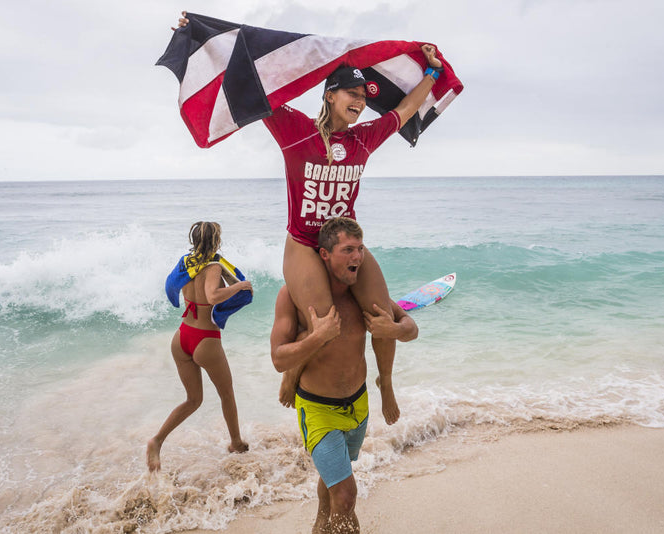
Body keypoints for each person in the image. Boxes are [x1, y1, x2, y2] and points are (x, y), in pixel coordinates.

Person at [175, 12, 442, 425]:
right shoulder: (294, 129)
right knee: (323, 322)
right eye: (351, 93)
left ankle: (385, 381)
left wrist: (430, 72)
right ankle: (294, 375)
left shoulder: (364, 139)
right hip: (302, 242)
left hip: (343, 244)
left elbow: (406, 110)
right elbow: (252, 88)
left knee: (382, 316)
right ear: (330, 95)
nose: (359, 101)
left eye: (363, 97)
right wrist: (200, 38)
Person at [270, 217, 418, 534]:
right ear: (325, 255)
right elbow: (278, 358)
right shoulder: (293, 295)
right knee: (347, 495)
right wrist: (316, 337)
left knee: (335, 476)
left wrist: (392, 329)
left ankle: (321, 523)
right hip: (318, 408)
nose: (357, 258)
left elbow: (410, 328)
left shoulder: (360, 294)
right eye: (348, 250)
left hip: (358, 405)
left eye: (360, 249)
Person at [147, 221, 254, 472]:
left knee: (193, 399)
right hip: (205, 339)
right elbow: (213, 297)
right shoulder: (213, 266)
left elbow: (173, 286)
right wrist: (240, 286)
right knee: (226, 393)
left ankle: (156, 440)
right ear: (216, 240)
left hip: (182, 336)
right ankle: (236, 442)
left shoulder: (187, 263)